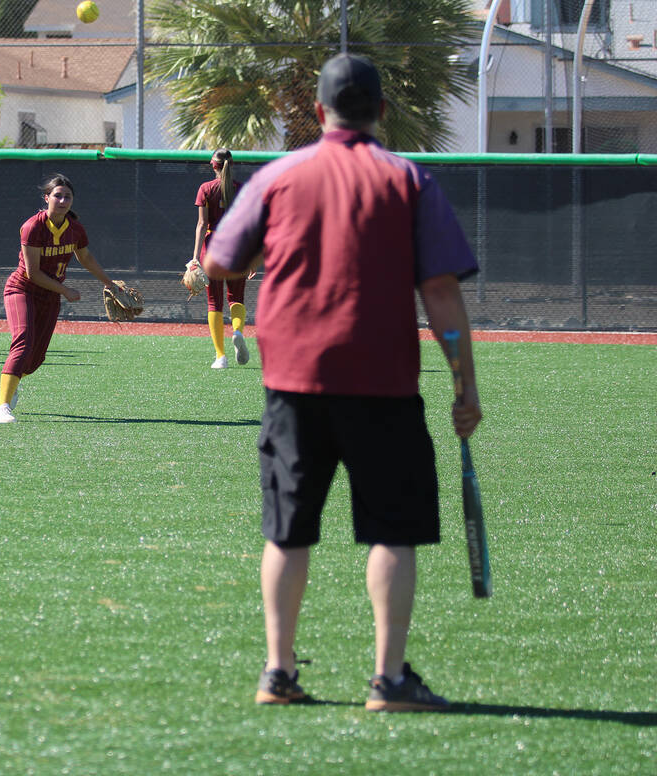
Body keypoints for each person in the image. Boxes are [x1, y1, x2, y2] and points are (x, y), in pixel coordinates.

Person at [203, 53, 482, 711]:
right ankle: (388, 681)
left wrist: (285, 242)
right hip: (383, 383)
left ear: (319, 112)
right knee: (392, 530)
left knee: (288, 530)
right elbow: (440, 292)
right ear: (382, 111)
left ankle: (278, 673)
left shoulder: (280, 175)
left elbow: (218, 260)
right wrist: (464, 384)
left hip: (295, 381)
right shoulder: (409, 180)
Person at [0, 174, 124, 424]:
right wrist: (65, 291)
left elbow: (85, 257)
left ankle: (11, 384)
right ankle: (1, 407)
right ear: (46, 198)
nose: (62, 200)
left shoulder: (74, 228)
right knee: (23, 342)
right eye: (57, 195)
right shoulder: (33, 226)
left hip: (49, 295)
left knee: (34, 360)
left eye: (67, 197)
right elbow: (32, 273)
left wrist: (109, 282)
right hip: (22, 289)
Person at [191, 148, 250, 370]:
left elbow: (202, 224)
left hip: (212, 249)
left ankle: (220, 357)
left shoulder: (206, 189)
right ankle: (237, 332)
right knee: (236, 298)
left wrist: (195, 257)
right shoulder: (242, 190)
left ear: (212, 165)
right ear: (232, 165)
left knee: (214, 303)